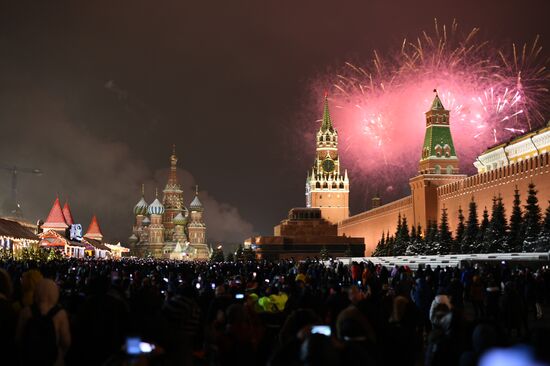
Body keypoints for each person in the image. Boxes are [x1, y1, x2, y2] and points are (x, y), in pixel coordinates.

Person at [16, 278, 71, 366]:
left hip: (29, 359)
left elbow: (19, 338)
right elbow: (66, 341)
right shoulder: (60, 314)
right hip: (53, 360)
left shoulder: (25, 312)